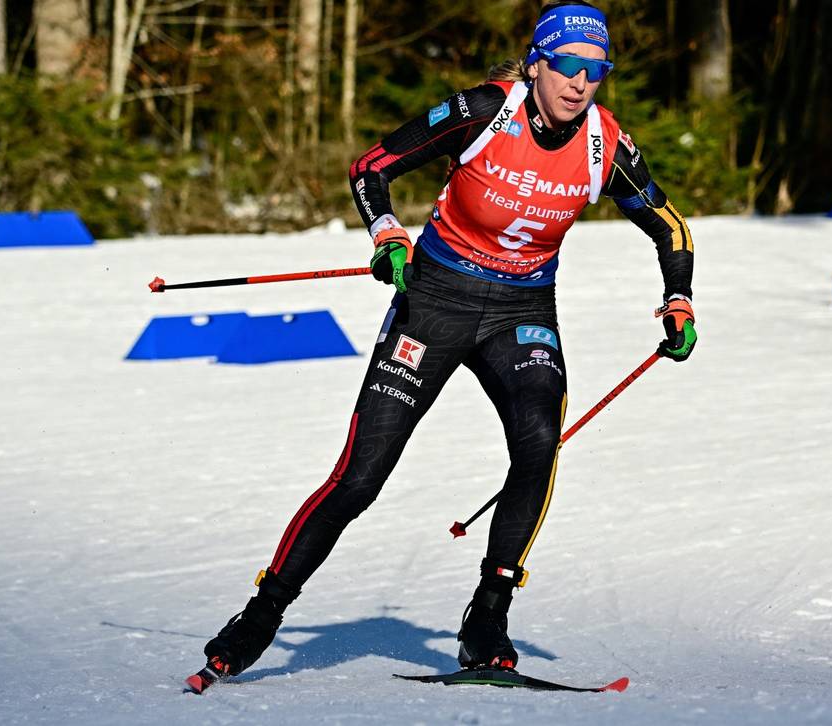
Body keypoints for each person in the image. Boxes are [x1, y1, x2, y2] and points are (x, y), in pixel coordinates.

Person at [192, 1, 696, 685]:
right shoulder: (485, 111)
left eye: (596, 71)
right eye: (569, 66)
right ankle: (264, 611)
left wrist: (678, 298)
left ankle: (488, 615)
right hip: (434, 300)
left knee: (538, 444)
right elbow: (371, 167)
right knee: (362, 477)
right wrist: (388, 234)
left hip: (521, 310)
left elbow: (668, 224)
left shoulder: (605, 144)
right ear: (539, 64)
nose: (581, 83)